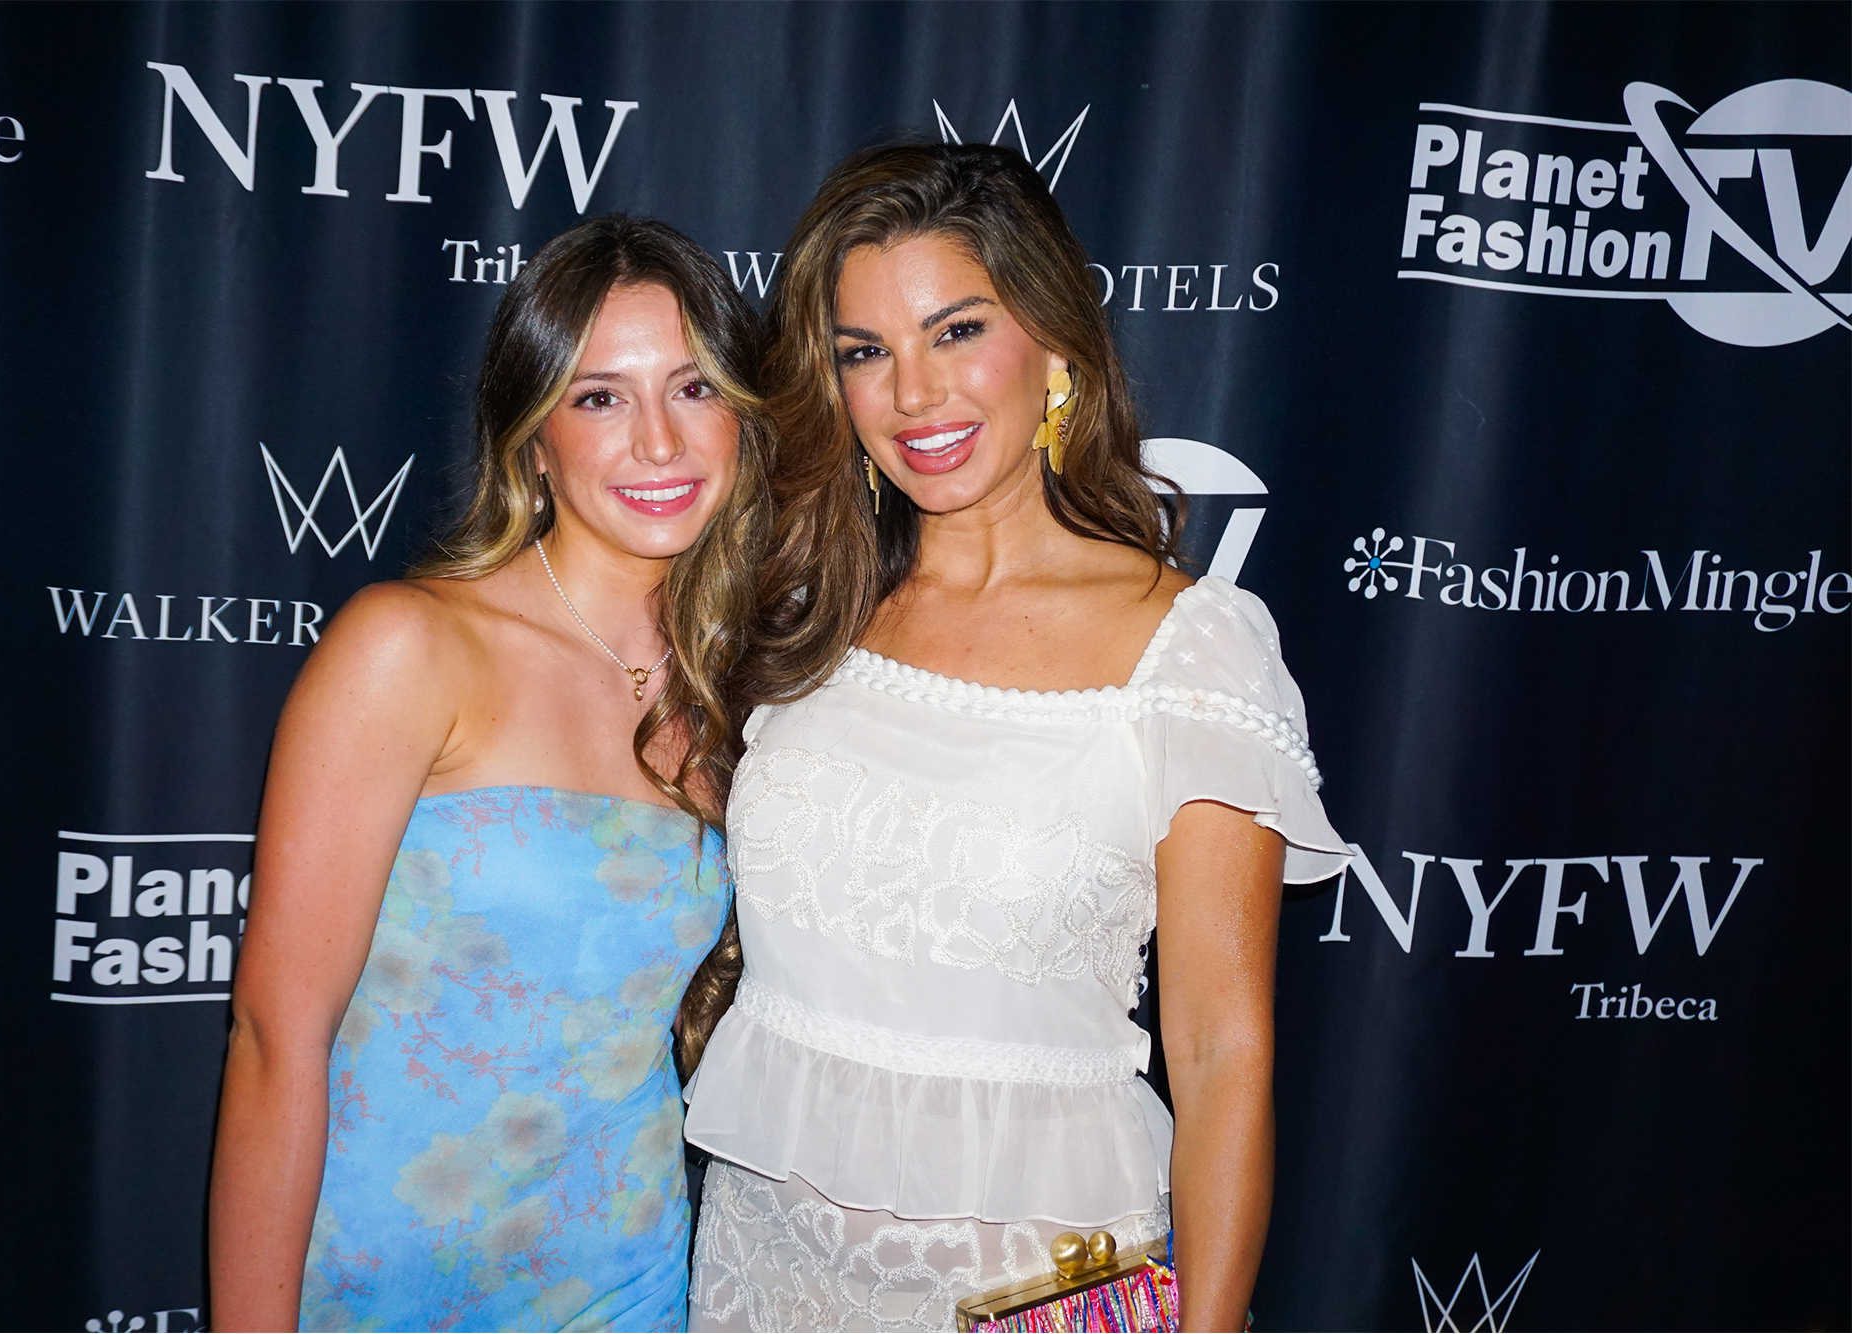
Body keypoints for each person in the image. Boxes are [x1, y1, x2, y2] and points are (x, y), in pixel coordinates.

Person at [680, 143, 1352, 1333]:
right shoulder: (803, 606)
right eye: (865, 352)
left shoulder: (1189, 645)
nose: (914, 395)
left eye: (955, 331)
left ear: (1050, 339)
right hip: (764, 1268)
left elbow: (1218, 1050)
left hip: (1033, 1285)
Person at [206, 216, 770, 1333]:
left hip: (623, 1282)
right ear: (533, 436)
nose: (658, 441)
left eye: (693, 388)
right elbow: (278, 1037)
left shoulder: (739, 693)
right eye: (600, 396)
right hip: (380, 1282)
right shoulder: (410, 645)